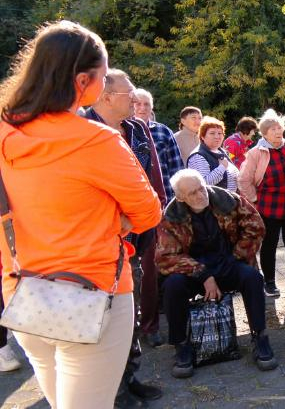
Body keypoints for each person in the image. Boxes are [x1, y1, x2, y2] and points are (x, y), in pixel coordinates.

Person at [0, 20, 161, 408]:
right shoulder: (98, 140)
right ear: (83, 80)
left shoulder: (5, 131)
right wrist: (114, 219)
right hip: (94, 295)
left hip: (24, 293)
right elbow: (149, 212)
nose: (105, 86)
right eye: (104, 78)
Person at [85, 69, 168, 407]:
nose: (136, 100)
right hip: (102, 244)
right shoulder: (84, 131)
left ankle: (129, 378)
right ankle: (111, 392)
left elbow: (153, 179)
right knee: (103, 321)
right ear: (105, 96)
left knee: (128, 316)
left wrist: (157, 218)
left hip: (139, 236)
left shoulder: (137, 128)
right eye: (128, 93)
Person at [156, 169, 277, 378]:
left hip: (228, 261)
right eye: (192, 193)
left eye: (201, 188)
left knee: (252, 278)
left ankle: (260, 337)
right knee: (172, 286)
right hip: (193, 272)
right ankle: (181, 345)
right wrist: (203, 275)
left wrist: (236, 256)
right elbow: (165, 257)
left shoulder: (227, 200)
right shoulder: (171, 216)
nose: (200, 195)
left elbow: (256, 227)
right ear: (181, 197)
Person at [238, 109, 285, 297]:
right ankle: (269, 282)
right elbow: (243, 180)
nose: (277, 131)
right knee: (269, 245)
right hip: (268, 207)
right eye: (273, 129)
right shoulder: (255, 153)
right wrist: (254, 200)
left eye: (279, 128)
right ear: (264, 132)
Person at [133, 88, 184, 204]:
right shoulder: (122, 131)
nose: (142, 108)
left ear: (151, 108)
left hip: (165, 197)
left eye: (146, 104)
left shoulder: (163, 132)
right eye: (138, 103)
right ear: (131, 105)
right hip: (134, 198)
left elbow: (176, 167)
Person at [187, 116, 240, 192]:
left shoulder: (221, 152)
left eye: (220, 133)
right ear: (202, 136)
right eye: (212, 133)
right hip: (213, 202)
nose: (217, 136)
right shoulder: (198, 156)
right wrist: (221, 168)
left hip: (229, 201)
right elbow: (203, 184)